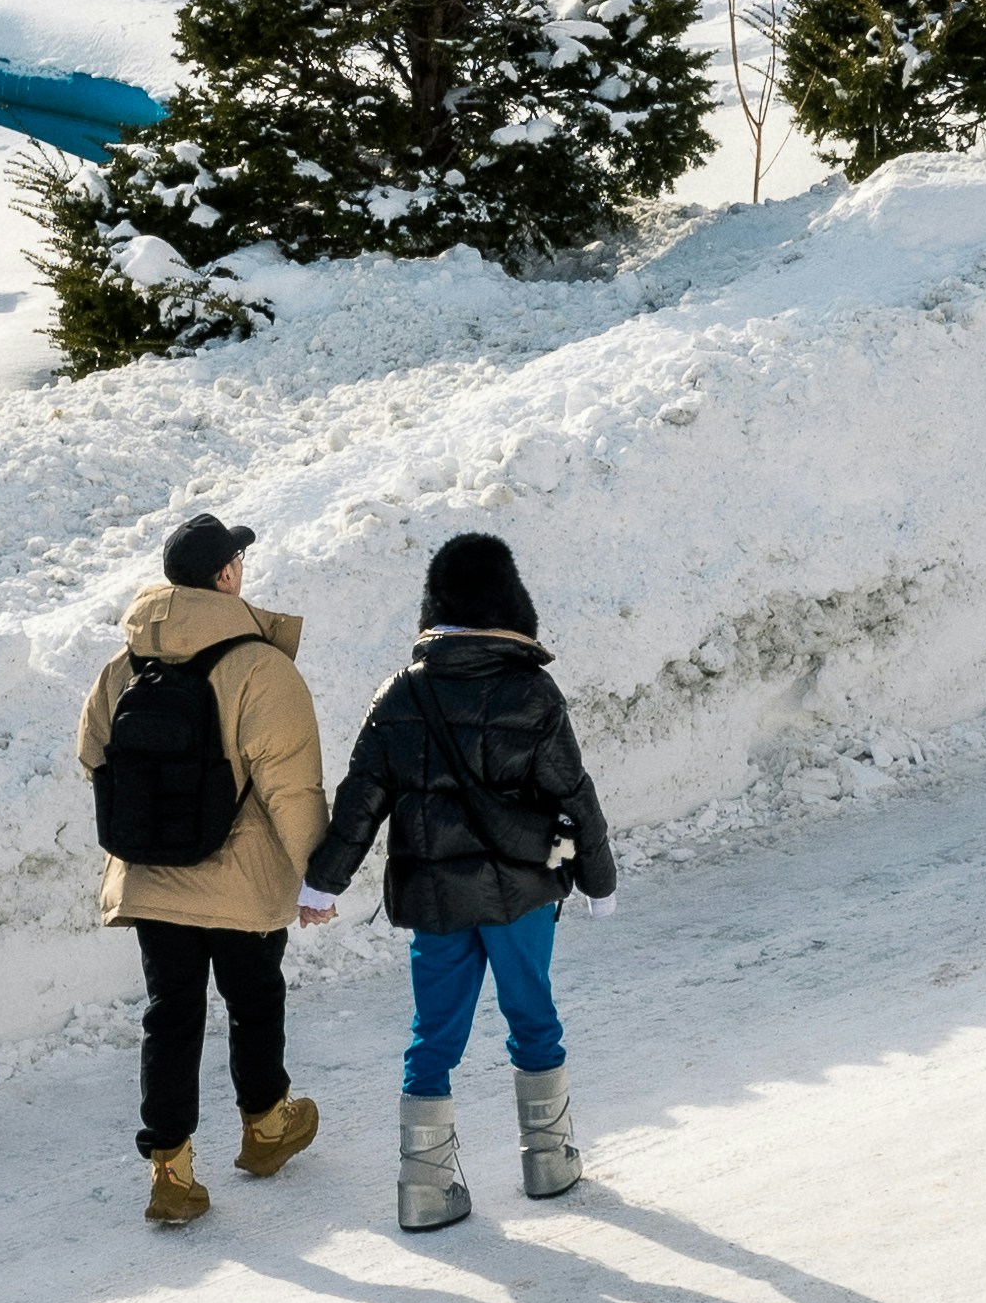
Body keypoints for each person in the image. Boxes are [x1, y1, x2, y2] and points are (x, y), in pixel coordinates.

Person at [297, 525, 614, 1234]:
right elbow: (574, 793)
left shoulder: (400, 695)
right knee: (532, 1016)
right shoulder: (532, 692)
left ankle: (424, 1185)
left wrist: (323, 883)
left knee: (432, 1035)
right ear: (510, 603)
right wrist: (598, 874)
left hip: (434, 903)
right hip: (521, 896)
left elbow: (360, 799)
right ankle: (547, 1158)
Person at [74, 506, 327, 1230]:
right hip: (240, 876)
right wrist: (317, 874)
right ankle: (266, 1125)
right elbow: (289, 783)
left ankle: (171, 1171)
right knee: (253, 998)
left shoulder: (124, 665)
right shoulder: (259, 667)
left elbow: (94, 753)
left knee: (171, 1015)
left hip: (152, 877)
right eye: (237, 561)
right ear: (224, 575)